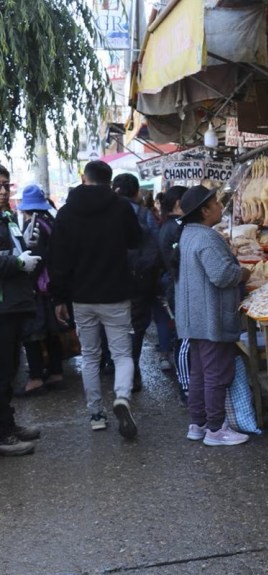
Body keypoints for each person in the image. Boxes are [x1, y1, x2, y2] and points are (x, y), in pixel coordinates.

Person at [49, 160, 141, 438]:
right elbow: (136, 240)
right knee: (122, 353)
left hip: (81, 297)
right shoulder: (121, 207)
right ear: (110, 180)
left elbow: (58, 260)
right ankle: (122, 397)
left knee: (90, 356)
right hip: (115, 294)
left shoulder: (66, 213)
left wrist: (59, 298)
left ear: (84, 178)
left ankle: (96, 414)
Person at [174, 185, 251, 446]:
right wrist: (243, 273)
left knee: (200, 373)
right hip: (210, 317)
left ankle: (198, 423)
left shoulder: (189, 233)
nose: (220, 206)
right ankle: (216, 430)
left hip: (193, 316)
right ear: (205, 211)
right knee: (216, 373)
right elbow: (222, 275)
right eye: (216, 203)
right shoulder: (206, 237)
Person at [0, 165, 42, 455]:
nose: (3, 191)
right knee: (2, 373)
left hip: (14, 305)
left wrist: (24, 247)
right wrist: (16, 262)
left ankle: (8, 424)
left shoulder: (7, 218)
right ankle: (3, 435)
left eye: (5, 185)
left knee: (10, 370)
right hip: (3, 307)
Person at [112, 173, 161, 391]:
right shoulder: (144, 213)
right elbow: (155, 245)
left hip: (111, 280)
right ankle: (131, 373)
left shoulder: (106, 212)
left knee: (114, 325)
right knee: (136, 327)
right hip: (138, 280)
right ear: (136, 191)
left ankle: (117, 367)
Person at [18, 184, 64, 395]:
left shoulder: (33, 224)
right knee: (51, 333)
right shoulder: (49, 221)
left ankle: (36, 377)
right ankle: (56, 372)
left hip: (39, 288)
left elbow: (36, 258)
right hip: (52, 286)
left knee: (32, 334)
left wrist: (28, 282)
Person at [157, 186, 189, 400]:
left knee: (184, 337)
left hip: (174, 285)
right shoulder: (175, 228)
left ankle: (187, 387)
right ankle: (186, 390)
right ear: (178, 204)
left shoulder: (170, 226)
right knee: (185, 338)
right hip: (177, 287)